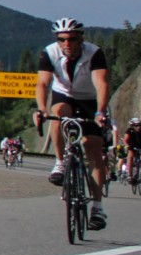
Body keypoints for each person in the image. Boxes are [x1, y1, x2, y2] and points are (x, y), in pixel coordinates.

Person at [35, 18, 111, 229]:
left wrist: (100, 112)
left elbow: (101, 83)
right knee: (57, 113)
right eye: (62, 39)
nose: (67, 44)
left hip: (90, 99)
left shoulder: (94, 53)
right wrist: (41, 109)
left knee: (93, 148)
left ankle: (97, 208)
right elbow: (42, 82)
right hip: (64, 95)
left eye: (72, 39)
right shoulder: (50, 52)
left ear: (81, 39)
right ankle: (60, 162)